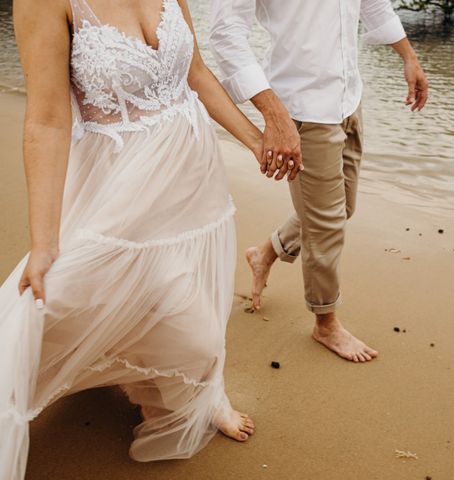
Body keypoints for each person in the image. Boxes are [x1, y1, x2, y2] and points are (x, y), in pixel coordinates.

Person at [0, 0, 283, 478]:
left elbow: (194, 73)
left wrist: (253, 139)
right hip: (119, 188)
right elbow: (47, 120)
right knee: (60, 298)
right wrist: (44, 243)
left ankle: (192, 392)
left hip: (190, 181)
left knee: (189, 322)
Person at [210, 0, 429, 363]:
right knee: (327, 223)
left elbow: (372, 4)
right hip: (301, 105)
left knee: (343, 207)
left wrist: (408, 57)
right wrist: (272, 112)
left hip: (347, 96)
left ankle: (265, 252)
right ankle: (325, 322)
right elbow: (226, 32)